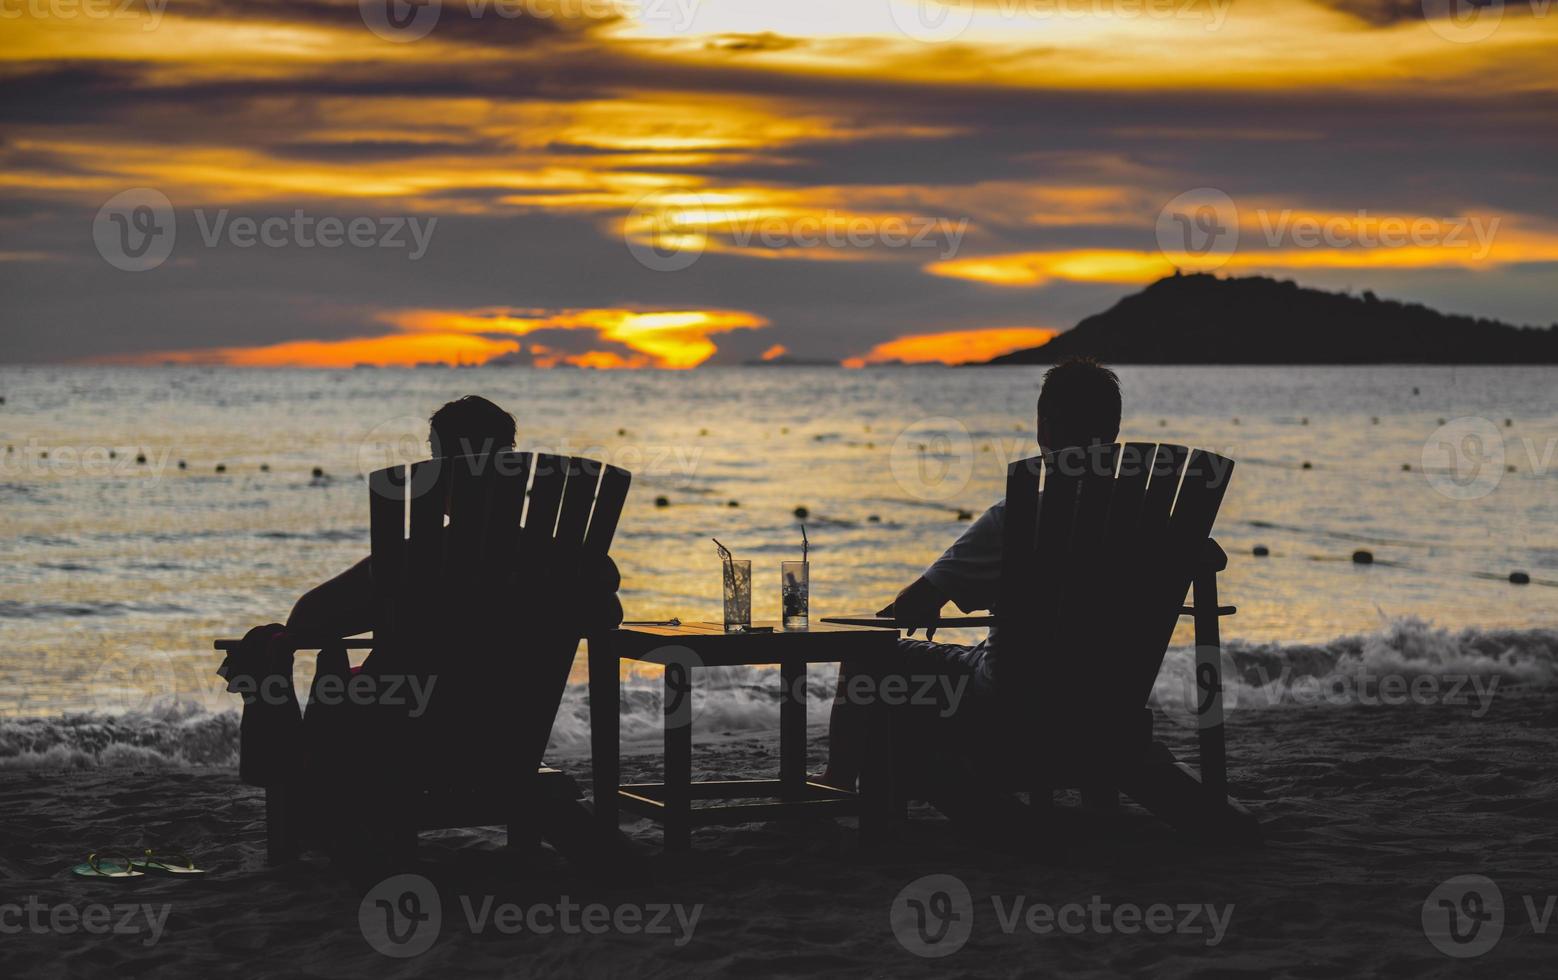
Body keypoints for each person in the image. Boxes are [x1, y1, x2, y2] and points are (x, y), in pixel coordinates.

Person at [821, 357, 1123, 791]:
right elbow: (1209, 559)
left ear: (1044, 427)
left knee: (866, 657)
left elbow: (909, 608)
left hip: (1007, 699)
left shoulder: (1016, 520)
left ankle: (838, 781)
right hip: (1106, 700)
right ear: (1112, 432)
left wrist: (888, 617)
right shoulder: (1149, 519)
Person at [286, 395, 521, 638]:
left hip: (410, 674)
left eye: (434, 454)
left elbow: (304, 619)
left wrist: (380, 614)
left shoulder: (414, 558)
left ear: (444, 466)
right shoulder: (549, 556)